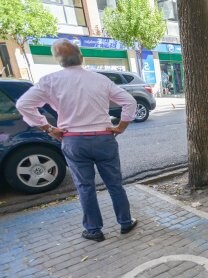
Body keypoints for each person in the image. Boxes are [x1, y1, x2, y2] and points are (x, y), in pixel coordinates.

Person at [16, 39, 138, 242]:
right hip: (104, 137)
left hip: (73, 140)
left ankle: (93, 230)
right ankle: (125, 222)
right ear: (81, 57)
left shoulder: (50, 81)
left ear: (58, 60)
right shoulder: (100, 79)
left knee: (85, 186)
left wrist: (48, 127)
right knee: (114, 183)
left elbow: (23, 104)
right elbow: (130, 101)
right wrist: (121, 127)